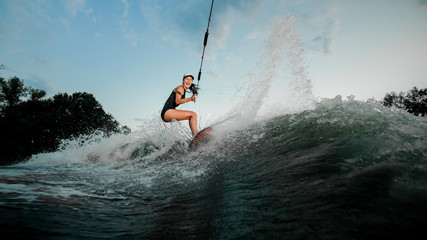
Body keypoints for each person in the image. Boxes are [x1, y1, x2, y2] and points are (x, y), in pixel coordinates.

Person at [161, 73, 198, 137]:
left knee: (192, 115)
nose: (188, 81)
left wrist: (194, 92)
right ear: (183, 80)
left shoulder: (184, 89)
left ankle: (194, 136)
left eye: (190, 80)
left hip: (168, 112)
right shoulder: (180, 88)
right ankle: (195, 136)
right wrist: (191, 98)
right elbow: (177, 101)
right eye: (187, 79)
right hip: (167, 112)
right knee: (193, 115)